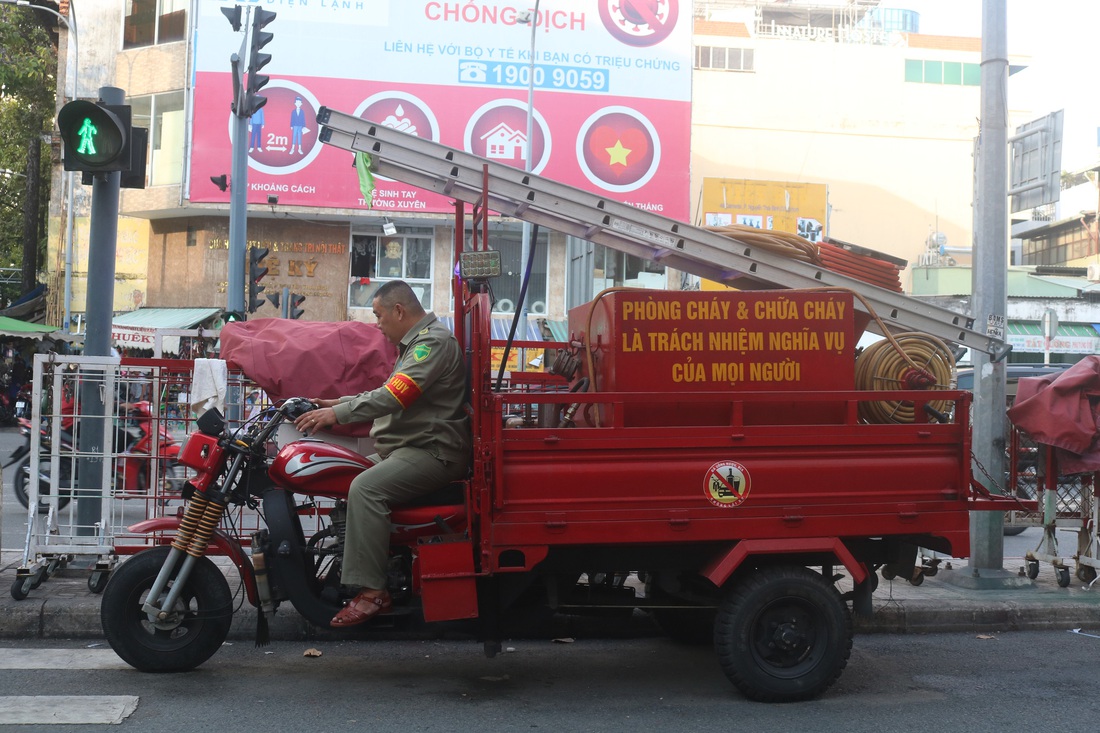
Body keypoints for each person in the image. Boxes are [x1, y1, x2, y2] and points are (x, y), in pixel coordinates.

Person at [293, 280, 471, 627]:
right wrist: (337, 402)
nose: (377, 324)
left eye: (378, 315)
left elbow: (395, 397)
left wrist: (336, 415)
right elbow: (390, 390)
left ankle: (374, 592)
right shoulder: (417, 343)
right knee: (338, 477)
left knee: (365, 488)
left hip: (431, 451)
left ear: (399, 311)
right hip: (407, 448)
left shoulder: (430, 344)